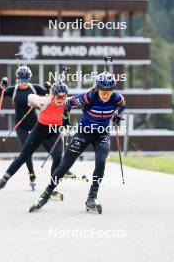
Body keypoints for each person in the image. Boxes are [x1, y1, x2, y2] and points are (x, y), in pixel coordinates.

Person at [29, 71, 126, 213]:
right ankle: (46, 194)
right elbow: (68, 103)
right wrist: (65, 117)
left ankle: (91, 198)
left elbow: (122, 105)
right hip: (84, 132)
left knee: (101, 161)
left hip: (102, 134)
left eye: (108, 93)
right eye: (103, 92)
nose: (106, 96)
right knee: (65, 164)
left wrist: (118, 115)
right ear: (98, 89)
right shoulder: (88, 97)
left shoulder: (117, 98)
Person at [0, 79, 76, 193]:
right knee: (24, 155)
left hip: (54, 131)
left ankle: (51, 188)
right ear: (52, 95)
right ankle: (4, 179)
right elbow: (30, 96)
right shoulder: (45, 100)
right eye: (58, 97)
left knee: (58, 156)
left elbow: (85, 99)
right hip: (40, 129)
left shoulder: (68, 102)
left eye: (63, 97)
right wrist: (38, 102)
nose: (61, 100)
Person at [0, 66, 50, 188]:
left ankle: (62, 166)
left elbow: (49, 94)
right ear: (17, 79)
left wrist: (48, 86)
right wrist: (2, 85)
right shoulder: (13, 90)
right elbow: (1, 93)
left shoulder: (34, 88)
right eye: (21, 80)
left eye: (26, 80)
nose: (24, 83)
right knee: (26, 151)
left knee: (47, 143)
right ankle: (32, 175)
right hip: (20, 125)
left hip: (34, 123)